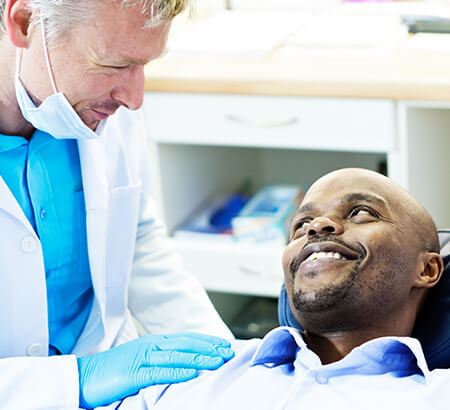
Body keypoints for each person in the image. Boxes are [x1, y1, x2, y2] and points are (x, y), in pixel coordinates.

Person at [0, 1, 234, 409]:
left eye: (143, 64)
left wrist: (226, 365)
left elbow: (137, 235)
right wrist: (76, 381)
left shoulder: (98, 107)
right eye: (113, 64)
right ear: (25, 22)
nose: (134, 97)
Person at [106, 168, 449, 410]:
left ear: (427, 268)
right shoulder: (190, 377)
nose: (317, 227)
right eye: (300, 225)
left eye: (360, 213)